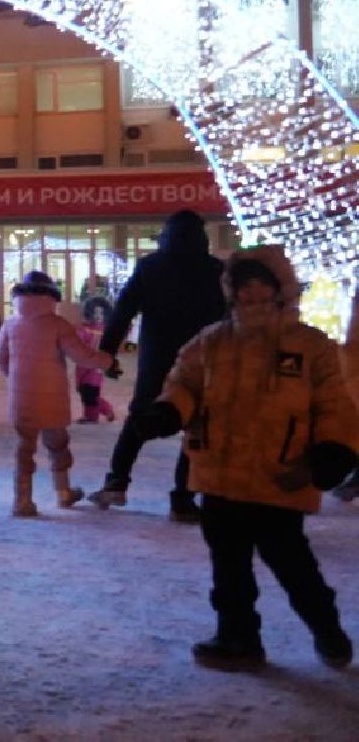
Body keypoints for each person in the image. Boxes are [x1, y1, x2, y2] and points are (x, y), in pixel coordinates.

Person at [135, 248, 357, 670]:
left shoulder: (311, 346)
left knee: (293, 565)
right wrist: (168, 411)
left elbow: (335, 406)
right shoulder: (211, 342)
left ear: (280, 288)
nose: (252, 292)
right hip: (219, 475)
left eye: (261, 284)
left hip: (281, 476)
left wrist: (333, 450)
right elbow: (184, 385)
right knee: (229, 568)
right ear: (231, 290)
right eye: (244, 284)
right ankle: (238, 638)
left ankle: (327, 629)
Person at [89, 209, 226, 521]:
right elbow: (229, 317)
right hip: (203, 360)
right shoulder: (215, 270)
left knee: (140, 416)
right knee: (196, 425)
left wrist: (108, 352)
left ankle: (116, 482)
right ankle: (183, 499)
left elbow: (123, 311)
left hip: (158, 357)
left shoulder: (151, 267)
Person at [0, 271, 114, 518]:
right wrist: (107, 361)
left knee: (24, 448)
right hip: (52, 398)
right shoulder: (58, 324)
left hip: (21, 399)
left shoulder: (10, 324)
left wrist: (16, 379)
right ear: (50, 296)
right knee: (58, 445)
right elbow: (83, 356)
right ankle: (63, 492)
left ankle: (22, 500)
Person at [75, 295, 116, 424]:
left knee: (91, 391)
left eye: (101, 313)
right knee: (83, 390)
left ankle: (92, 416)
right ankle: (105, 409)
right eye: (95, 312)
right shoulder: (84, 328)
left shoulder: (106, 330)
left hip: (96, 367)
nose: (98, 316)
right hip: (83, 365)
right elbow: (76, 341)